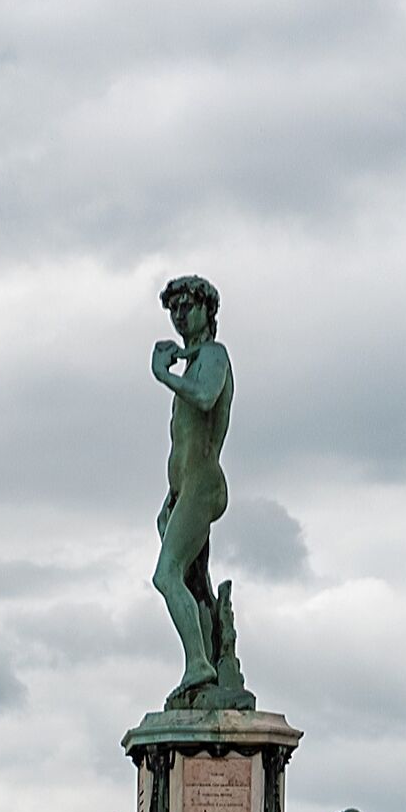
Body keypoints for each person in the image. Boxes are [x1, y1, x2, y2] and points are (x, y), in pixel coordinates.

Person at [151, 274, 233, 697]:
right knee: (194, 582)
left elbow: (204, 397)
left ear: (207, 311)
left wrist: (163, 374)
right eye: (174, 309)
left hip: (204, 484)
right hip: (188, 488)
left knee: (166, 575)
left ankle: (198, 664)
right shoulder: (195, 358)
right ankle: (213, 666)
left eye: (188, 306)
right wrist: (173, 494)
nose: (180, 315)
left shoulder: (214, 356)